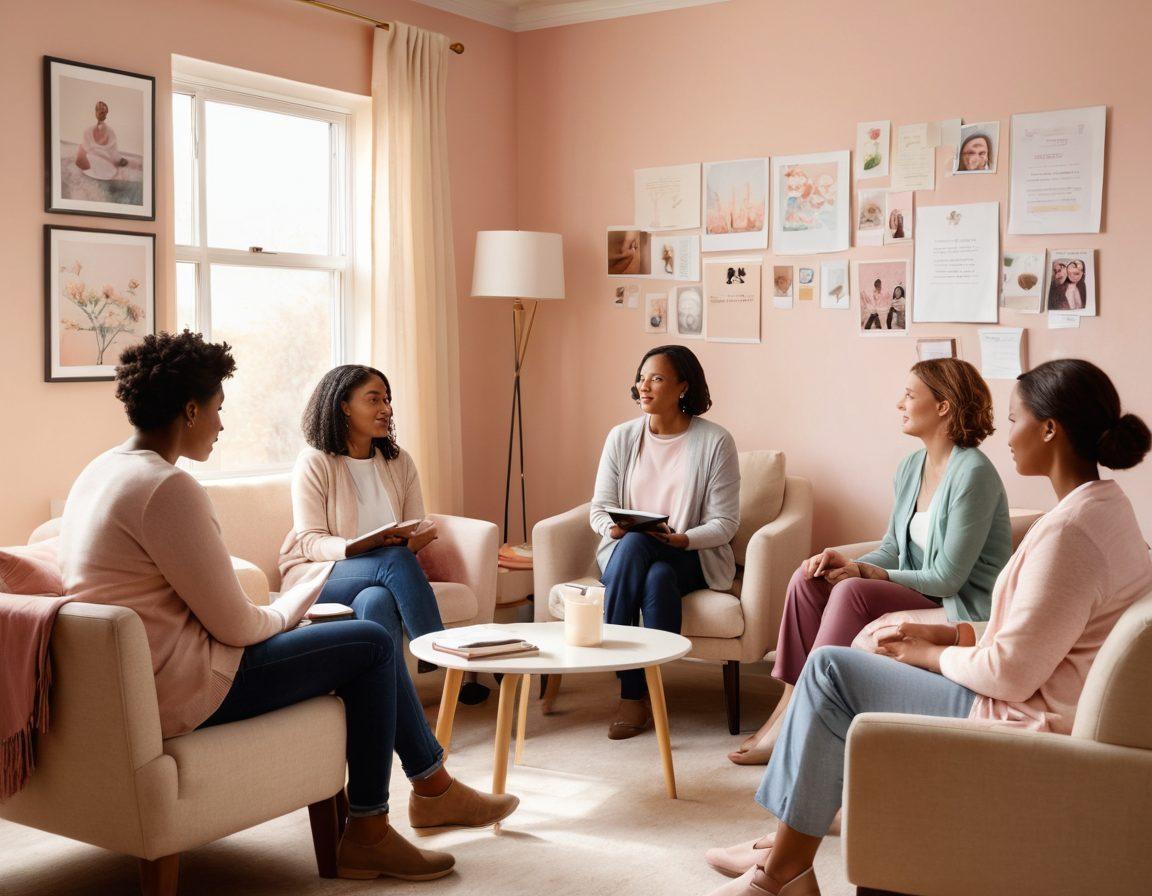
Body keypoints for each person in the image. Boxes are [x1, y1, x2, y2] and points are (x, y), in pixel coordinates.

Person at [59, 332, 517, 884]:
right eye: (218, 409)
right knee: (371, 643)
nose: (221, 425)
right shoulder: (167, 488)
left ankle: (431, 789)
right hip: (185, 685)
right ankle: (379, 827)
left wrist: (278, 616)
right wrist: (288, 613)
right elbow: (238, 624)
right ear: (189, 409)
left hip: (138, 680)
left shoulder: (101, 470)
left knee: (366, 623)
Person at [704, 358, 1152, 896]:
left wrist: (926, 655)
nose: (1007, 436)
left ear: (1050, 429)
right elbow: (1045, 630)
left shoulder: (1068, 535)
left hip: (1021, 714)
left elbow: (1008, 673)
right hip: (1035, 694)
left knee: (831, 672)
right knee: (841, 649)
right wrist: (953, 635)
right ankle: (783, 859)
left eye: (1015, 420)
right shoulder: (1106, 510)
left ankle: (780, 871)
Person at [728, 359, 1010, 765]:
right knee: (810, 579)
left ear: (944, 406)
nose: (900, 403)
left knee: (853, 591)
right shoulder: (912, 467)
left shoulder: (973, 473)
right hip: (922, 590)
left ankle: (800, 720)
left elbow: (948, 578)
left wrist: (866, 572)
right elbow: (895, 549)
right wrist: (845, 560)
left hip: (960, 603)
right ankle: (786, 707)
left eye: (911, 395)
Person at [280, 364, 491, 705]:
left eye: (388, 400)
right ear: (344, 406)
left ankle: (386, 709)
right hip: (318, 575)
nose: (386, 409)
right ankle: (437, 650)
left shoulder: (399, 461)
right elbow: (309, 541)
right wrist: (356, 547)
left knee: (376, 601)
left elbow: (416, 523)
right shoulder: (315, 461)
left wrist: (413, 538)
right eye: (374, 399)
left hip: (379, 578)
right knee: (394, 559)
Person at [590, 345, 739, 739]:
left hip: (691, 554)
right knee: (653, 573)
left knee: (644, 552)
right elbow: (599, 509)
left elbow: (725, 524)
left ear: (683, 387)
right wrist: (613, 529)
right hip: (631, 550)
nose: (644, 386)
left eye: (656, 378)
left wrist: (681, 538)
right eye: (641, 377)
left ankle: (628, 688)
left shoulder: (716, 441)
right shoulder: (621, 437)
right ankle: (645, 691)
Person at [74, 100, 129, 176]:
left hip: (105, 163)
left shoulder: (110, 132)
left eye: (105, 113)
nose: (103, 115)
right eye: (101, 112)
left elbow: (113, 150)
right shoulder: (88, 131)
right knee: (82, 149)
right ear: (96, 112)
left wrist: (118, 160)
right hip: (93, 160)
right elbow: (85, 149)